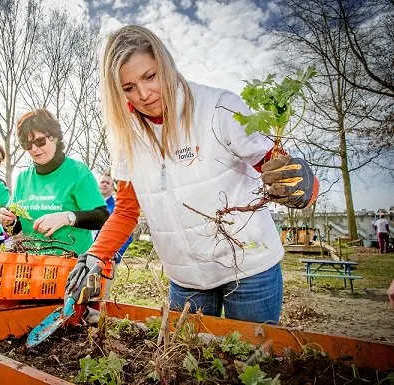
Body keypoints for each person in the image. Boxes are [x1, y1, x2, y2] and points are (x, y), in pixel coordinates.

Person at [64, 25, 319, 324]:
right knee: (191, 365)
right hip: (186, 281)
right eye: (129, 88)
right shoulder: (126, 136)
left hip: (250, 272)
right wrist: (95, 256)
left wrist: (305, 186)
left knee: (253, 364)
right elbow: (126, 211)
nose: (144, 95)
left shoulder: (218, 108)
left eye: (150, 76)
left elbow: (283, 176)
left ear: (166, 65)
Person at [0, 109, 108, 256]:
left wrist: (67, 217)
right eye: (27, 144)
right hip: (33, 264)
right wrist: (8, 222)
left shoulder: (77, 172)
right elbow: (15, 228)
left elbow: (102, 217)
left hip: (72, 263)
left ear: (54, 137)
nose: (34, 149)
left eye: (40, 141)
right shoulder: (23, 178)